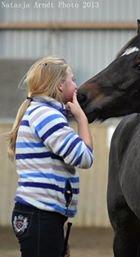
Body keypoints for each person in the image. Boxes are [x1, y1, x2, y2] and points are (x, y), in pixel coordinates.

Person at [7, 56, 93, 257]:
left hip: (41, 214)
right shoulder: (47, 115)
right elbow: (84, 157)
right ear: (61, 85)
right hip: (40, 216)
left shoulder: (41, 113)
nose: (76, 85)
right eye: (72, 80)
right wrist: (82, 119)